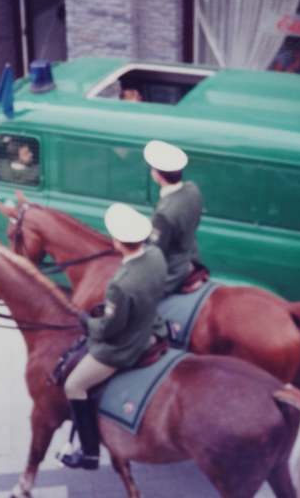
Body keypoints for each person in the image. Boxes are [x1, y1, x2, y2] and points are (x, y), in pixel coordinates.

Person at [62, 203, 167, 470]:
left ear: (118, 242)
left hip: (126, 347)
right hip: (153, 327)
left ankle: (89, 453)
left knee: (73, 385)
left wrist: (87, 322)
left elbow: (110, 330)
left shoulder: (120, 284)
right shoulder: (155, 255)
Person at [143, 140, 203, 294]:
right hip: (192, 257)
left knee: (135, 297)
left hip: (173, 272)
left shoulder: (164, 214)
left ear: (157, 175)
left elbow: (155, 254)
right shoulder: (192, 189)